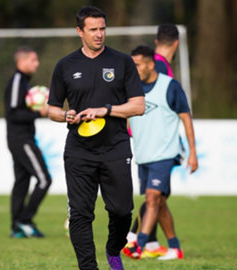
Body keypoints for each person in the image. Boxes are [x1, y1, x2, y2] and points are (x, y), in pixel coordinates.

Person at [47, 6, 145, 270]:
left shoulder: (122, 62)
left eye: (102, 28)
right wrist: (66, 115)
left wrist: (107, 110)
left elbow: (138, 106)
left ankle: (114, 249)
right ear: (80, 31)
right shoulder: (65, 66)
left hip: (115, 147)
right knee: (80, 214)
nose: (99, 34)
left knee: (123, 211)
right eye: (93, 29)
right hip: (79, 150)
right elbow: (52, 109)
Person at [122, 45, 197, 261]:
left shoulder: (170, 86)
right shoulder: (131, 88)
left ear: (150, 64)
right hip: (143, 155)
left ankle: (139, 244)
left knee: (153, 197)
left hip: (165, 153)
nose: (133, 69)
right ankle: (175, 248)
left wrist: (193, 153)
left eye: (137, 65)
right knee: (160, 202)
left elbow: (186, 118)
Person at [124, 23, 181, 259]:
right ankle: (137, 240)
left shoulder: (149, 63)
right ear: (176, 43)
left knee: (155, 196)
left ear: (157, 42)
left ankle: (148, 243)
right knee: (155, 196)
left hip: (143, 137)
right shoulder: (160, 67)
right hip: (154, 140)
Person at [5, 46, 51, 238]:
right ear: (21, 62)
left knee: (22, 182)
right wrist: (38, 113)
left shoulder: (24, 82)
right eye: (33, 60)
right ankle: (24, 220)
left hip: (21, 138)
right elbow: (13, 112)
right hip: (21, 139)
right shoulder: (17, 80)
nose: (37, 63)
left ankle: (16, 225)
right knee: (44, 179)